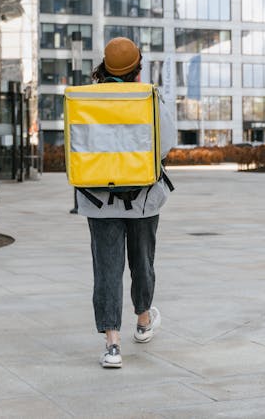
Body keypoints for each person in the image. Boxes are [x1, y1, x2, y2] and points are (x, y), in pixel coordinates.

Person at [75, 37, 177, 369]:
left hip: (98, 199)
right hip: (144, 197)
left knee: (107, 268)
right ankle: (144, 321)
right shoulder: (149, 97)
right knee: (142, 260)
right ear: (137, 69)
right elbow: (166, 144)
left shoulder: (85, 100)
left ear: (104, 68)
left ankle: (112, 345)